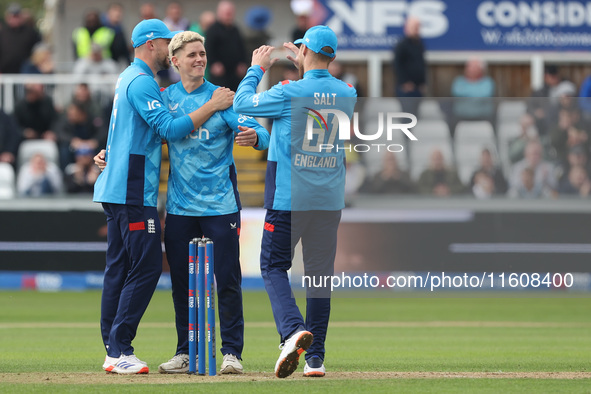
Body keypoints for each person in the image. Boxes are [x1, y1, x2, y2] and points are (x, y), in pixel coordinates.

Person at [92, 19, 235, 375]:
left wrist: (109, 153)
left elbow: (126, 131)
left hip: (121, 183)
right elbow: (169, 129)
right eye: (166, 42)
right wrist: (213, 105)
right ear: (151, 44)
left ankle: (113, 348)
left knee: (120, 269)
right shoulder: (142, 82)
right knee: (147, 267)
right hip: (132, 188)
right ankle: (120, 348)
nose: (169, 48)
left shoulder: (128, 77)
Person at [234, 25, 357, 378]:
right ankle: (315, 359)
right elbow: (311, 101)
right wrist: (306, 63)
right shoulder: (347, 92)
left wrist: (258, 67)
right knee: (319, 277)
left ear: (304, 53)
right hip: (329, 199)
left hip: (290, 197)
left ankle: (291, 331)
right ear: (331, 56)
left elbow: (243, 103)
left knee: (273, 266)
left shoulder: (288, 91)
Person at [152, 31, 270, 375]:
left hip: (220, 205)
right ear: (175, 61)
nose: (199, 59)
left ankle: (232, 352)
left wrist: (254, 137)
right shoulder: (165, 98)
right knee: (181, 283)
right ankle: (186, 351)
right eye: (191, 55)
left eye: (202, 53)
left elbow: (259, 133)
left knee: (227, 279)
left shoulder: (223, 97)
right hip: (178, 207)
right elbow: (150, 132)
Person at [205, 1, 248, 91]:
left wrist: (243, 63)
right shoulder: (213, 30)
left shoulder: (236, 29)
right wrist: (213, 63)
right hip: (220, 74)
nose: (228, 15)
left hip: (235, 74)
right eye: (226, 13)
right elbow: (208, 49)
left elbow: (242, 48)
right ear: (219, 13)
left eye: (230, 13)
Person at [393, 16, 426, 115]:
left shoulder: (419, 44)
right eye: (414, 27)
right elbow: (397, 65)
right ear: (407, 28)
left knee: (416, 114)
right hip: (406, 89)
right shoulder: (402, 45)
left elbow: (422, 65)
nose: (416, 29)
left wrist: (423, 83)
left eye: (418, 27)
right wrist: (404, 82)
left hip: (418, 88)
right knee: (407, 115)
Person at [0, 2, 41, 74]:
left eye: (17, 16)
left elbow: (40, 49)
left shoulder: (30, 32)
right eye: (12, 16)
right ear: (7, 17)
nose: (14, 19)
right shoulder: (2, 33)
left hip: (26, 75)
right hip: (6, 75)